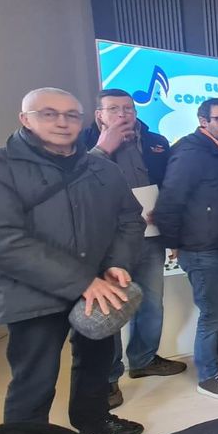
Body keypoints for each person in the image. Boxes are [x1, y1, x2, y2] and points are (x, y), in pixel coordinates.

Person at [0, 87, 145, 434]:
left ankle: (94, 422)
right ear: (25, 119)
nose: (62, 122)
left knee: (96, 365)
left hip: (100, 290)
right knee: (34, 378)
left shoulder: (102, 169)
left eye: (71, 115)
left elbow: (129, 220)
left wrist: (117, 263)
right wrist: (82, 281)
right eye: (48, 114)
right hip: (31, 294)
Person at [81, 89, 185, 411]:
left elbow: (170, 183)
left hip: (150, 236)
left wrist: (163, 214)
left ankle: (143, 359)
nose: (123, 114)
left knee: (152, 302)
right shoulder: (84, 144)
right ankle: (109, 377)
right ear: (99, 114)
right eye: (114, 109)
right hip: (107, 242)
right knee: (111, 310)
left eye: (128, 108)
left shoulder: (157, 142)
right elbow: (78, 188)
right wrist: (103, 148)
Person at [154, 97, 218, 399]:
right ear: (203, 121)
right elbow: (169, 201)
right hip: (201, 248)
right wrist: (173, 243)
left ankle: (216, 352)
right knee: (212, 311)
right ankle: (207, 375)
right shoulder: (190, 152)